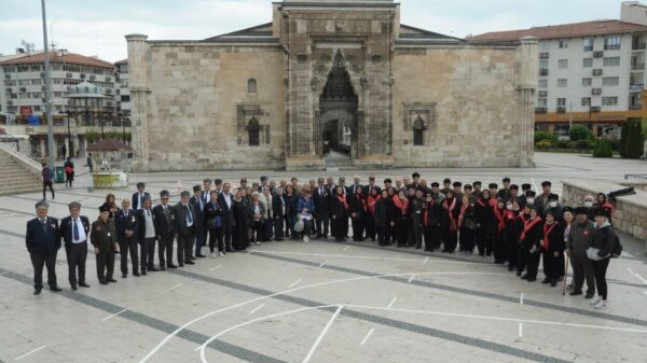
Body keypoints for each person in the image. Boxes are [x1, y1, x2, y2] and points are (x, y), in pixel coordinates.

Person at [25, 200, 62, 294]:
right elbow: (28, 238)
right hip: (37, 252)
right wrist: (31, 249)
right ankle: (38, 287)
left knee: (51, 269)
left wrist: (56, 247)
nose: (41, 212)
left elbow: (57, 235)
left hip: (51, 251)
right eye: (39, 210)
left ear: (47, 211)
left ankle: (53, 285)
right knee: (38, 270)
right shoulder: (31, 223)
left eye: (43, 210)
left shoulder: (53, 221)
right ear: (37, 211)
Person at [588, 208, 617, 309]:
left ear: (605, 218)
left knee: (601, 278)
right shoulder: (595, 227)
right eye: (597, 217)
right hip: (593, 255)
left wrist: (601, 254)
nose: (598, 218)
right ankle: (600, 296)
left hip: (602, 257)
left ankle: (604, 300)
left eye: (601, 217)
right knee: (597, 277)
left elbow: (609, 245)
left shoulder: (608, 230)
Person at [60, 201, 91, 290]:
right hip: (71, 246)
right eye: (73, 210)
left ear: (79, 210)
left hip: (82, 245)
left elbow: (87, 229)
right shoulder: (65, 221)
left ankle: (82, 281)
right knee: (72, 265)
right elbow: (61, 232)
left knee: (82, 263)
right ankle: (73, 283)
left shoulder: (84, 219)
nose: (75, 212)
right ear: (70, 211)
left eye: (76, 210)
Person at [567, 207, 596, 299]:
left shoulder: (592, 226)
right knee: (577, 272)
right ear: (576, 216)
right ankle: (577, 289)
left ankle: (590, 291)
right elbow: (569, 238)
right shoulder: (574, 225)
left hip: (587, 255)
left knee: (589, 274)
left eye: (583, 215)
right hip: (574, 253)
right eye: (579, 215)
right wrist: (568, 248)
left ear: (586, 216)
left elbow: (595, 241)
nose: (581, 217)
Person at [90, 205, 118, 285]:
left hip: (111, 246)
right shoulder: (96, 224)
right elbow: (93, 237)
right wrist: (95, 247)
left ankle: (109, 277)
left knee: (111, 263)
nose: (105, 215)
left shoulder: (111, 222)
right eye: (103, 213)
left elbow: (114, 233)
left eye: (106, 213)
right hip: (101, 248)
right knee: (101, 264)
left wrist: (115, 242)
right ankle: (101, 278)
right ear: (100, 214)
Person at [115, 199, 140, 276]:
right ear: (122, 204)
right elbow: (117, 225)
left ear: (130, 204)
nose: (126, 205)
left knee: (134, 255)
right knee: (124, 255)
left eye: (127, 203)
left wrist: (132, 231)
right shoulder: (118, 213)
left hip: (133, 237)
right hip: (123, 237)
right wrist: (125, 231)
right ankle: (124, 272)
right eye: (124, 203)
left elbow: (137, 224)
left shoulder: (134, 212)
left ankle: (135, 271)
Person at [541, 210, 565, 287]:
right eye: (547, 217)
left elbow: (559, 239)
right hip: (546, 248)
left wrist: (557, 250)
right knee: (546, 263)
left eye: (550, 217)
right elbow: (540, 235)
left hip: (554, 248)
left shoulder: (557, 226)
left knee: (554, 264)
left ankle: (554, 278)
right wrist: (540, 240)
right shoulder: (543, 225)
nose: (549, 218)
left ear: (553, 218)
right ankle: (548, 276)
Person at [520, 207, 543, 282]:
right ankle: (528, 273)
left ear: (537, 213)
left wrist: (535, 244)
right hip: (527, 243)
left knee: (534, 260)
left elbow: (539, 234)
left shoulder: (539, 222)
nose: (532, 213)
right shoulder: (528, 220)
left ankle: (533, 276)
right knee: (528, 259)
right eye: (532, 211)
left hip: (534, 244)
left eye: (534, 212)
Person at [136, 196, 157, 274]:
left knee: (152, 252)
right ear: (143, 204)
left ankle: (150, 266)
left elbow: (155, 224)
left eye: (149, 203)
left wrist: (156, 234)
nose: (147, 205)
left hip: (152, 235)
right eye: (146, 203)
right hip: (145, 236)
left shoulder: (152, 211)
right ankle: (143, 268)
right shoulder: (139, 212)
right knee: (144, 253)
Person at [174, 191, 196, 264]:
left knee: (189, 245)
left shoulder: (190, 206)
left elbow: (193, 216)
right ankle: (180, 261)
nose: (186, 200)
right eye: (184, 198)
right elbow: (175, 221)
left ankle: (188, 259)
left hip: (190, 228)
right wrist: (176, 231)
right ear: (181, 198)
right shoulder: (176, 207)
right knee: (181, 247)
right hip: (181, 230)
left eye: (187, 198)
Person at [205, 191, 224, 257]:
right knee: (212, 238)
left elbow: (222, 212)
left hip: (220, 223)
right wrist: (218, 211)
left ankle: (220, 250)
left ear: (217, 196)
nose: (213, 196)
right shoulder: (208, 205)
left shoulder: (219, 203)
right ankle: (212, 251)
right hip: (212, 224)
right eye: (212, 195)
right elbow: (211, 214)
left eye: (215, 195)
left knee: (220, 238)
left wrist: (217, 211)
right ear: (210, 196)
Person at [190, 185, 207, 257]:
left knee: (200, 239)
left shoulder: (203, 199)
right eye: (197, 192)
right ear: (194, 192)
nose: (199, 193)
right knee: (192, 240)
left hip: (202, 223)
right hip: (194, 223)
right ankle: (190, 254)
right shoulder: (191, 200)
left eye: (200, 192)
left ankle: (198, 252)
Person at [218, 182, 235, 252]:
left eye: (228, 187)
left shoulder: (231, 196)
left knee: (229, 233)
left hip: (229, 218)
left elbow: (232, 208)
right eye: (225, 187)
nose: (227, 189)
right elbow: (217, 206)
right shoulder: (219, 196)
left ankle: (228, 247)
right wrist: (220, 210)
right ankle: (221, 248)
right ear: (223, 188)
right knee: (221, 234)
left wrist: (232, 219)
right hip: (222, 218)